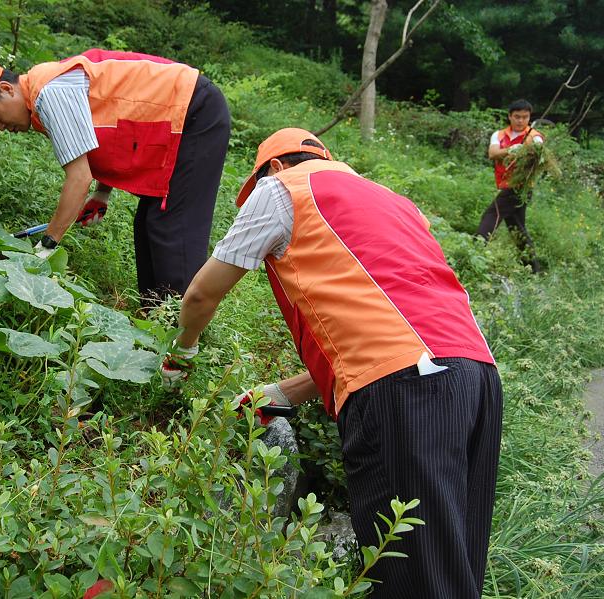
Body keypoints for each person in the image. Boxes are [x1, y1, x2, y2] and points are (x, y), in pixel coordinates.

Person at [162, 128, 503, 599]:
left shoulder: (282, 188)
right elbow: (397, 327)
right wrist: (282, 392)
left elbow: (202, 292)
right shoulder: (393, 201)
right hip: (476, 376)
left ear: (274, 167)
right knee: (452, 572)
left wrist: (183, 350)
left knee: (410, 577)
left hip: (407, 392)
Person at [0, 50, 231, 306]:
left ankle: (180, 340)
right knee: (148, 225)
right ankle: (156, 318)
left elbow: (78, 177)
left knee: (171, 227)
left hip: (194, 111)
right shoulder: (47, 87)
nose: (1, 128)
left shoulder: (50, 93)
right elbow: (109, 127)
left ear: (6, 89)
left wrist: (48, 243)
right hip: (180, 115)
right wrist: (102, 193)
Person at [477, 98, 543, 273]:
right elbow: (493, 153)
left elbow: (536, 155)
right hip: (506, 185)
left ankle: (475, 250)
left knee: (491, 215)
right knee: (516, 227)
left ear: (529, 117)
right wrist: (512, 150)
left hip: (520, 187)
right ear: (510, 116)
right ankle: (533, 268)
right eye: (517, 117)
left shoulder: (534, 137)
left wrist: (519, 151)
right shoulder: (499, 135)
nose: (521, 121)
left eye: (525, 117)